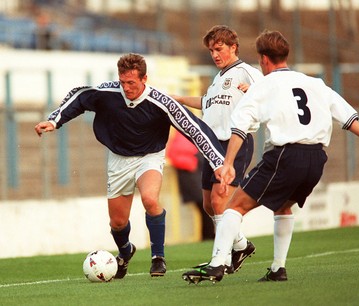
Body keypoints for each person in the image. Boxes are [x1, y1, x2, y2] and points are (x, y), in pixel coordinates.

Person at [182, 30, 359, 284]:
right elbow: (346, 116)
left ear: (263, 59)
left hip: (285, 156)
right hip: (316, 160)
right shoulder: (314, 82)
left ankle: (217, 264)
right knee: (283, 206)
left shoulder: (264, 85)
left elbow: (239, 127)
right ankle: (278, 269)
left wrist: (228, 165)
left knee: (233, 207)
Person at [34, 53, 225, 279]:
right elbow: (79, 96)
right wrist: (55, 120)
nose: (126, 87)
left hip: (150, 157)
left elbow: (194, 128)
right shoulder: (108, 93)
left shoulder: (161, 102)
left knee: (150, 199)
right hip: (118, 159)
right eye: (123, 82)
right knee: (117, 222)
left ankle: (158, 258)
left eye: (131, 83)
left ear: (145, 79)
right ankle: (125, 252)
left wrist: (218, 163)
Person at [172, 25, 264, 272]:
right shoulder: (217, 79)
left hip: (235, 142)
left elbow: (268, 91)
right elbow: (205, 103)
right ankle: (241, 245)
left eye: (219, 48)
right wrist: (179, 100)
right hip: (212, 145)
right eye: (212, 49)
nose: (214, 54)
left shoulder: (246, 72)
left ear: (233, 47)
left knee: (219, 199)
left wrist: (254, 91)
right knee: (209, 205)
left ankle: (219, 261)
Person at [166, 131, 215, 240]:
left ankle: (208, 235)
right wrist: (191, 163)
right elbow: (172, 155)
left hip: (196, 175)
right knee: (204, 206)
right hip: (191, 177)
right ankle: (208, 236)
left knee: (205, 207)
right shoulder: (182, 137)